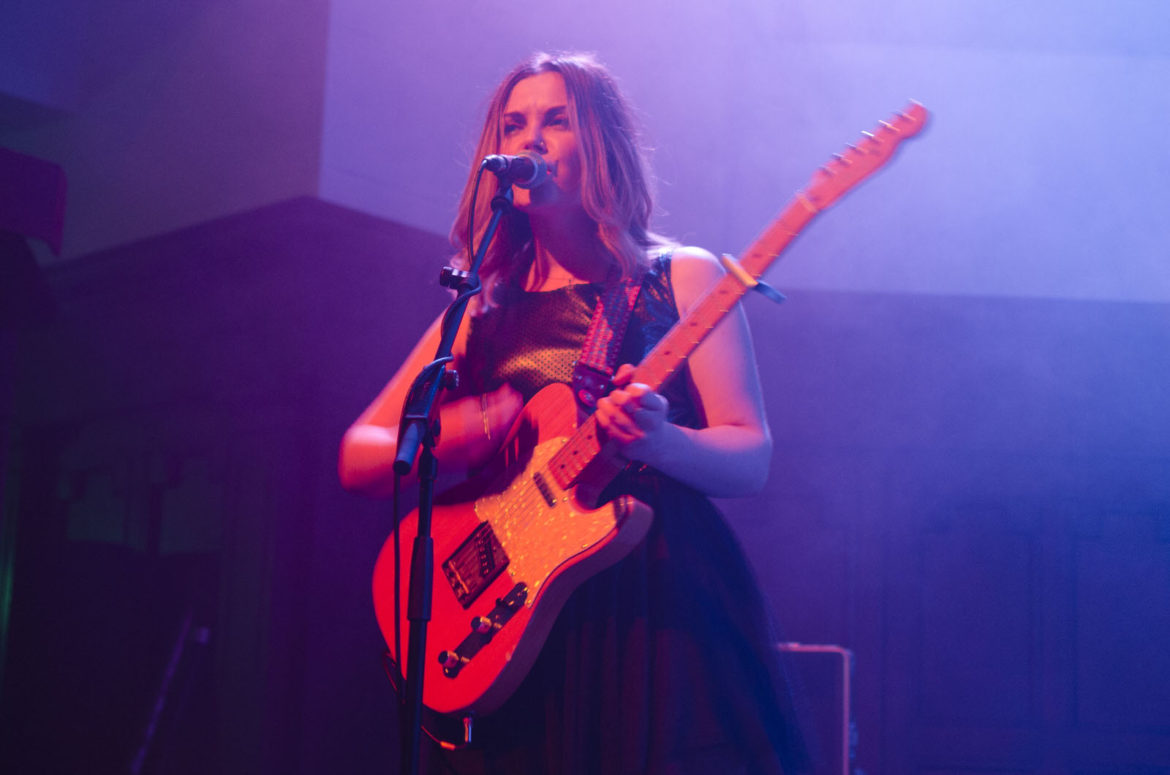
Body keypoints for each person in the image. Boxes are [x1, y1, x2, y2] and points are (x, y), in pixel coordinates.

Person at [339, 52, 809, 774]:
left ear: (604, 146)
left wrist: (658, 441)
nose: (531, 140)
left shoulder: (682, 275)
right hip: (519, 611)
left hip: (648, 598)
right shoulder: (481, 306)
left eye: (557, 121)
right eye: (515, 123)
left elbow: (751, 453)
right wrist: (462, 431)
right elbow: (363, 451)